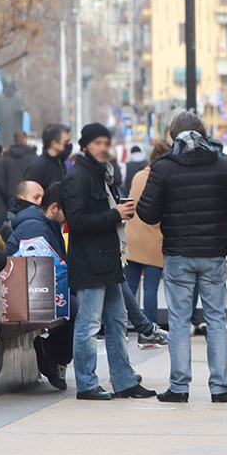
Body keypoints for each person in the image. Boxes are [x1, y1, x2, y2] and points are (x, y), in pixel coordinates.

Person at [136, 112, 227, 403]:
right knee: (217, 319)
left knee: (180, 321)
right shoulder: (222, 165)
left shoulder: (164, 168)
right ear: (203, 133)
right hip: (213, 253)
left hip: (178, 253)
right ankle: (220, 388)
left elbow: (146, 212)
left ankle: (179, 387)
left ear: (173, 135)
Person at [61, 123, 156, 401]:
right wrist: (115, 214)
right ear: (85, 145)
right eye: (98, 143)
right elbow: (76, 222)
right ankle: (87, 384)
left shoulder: (103, 174)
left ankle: (125, 381)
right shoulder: (78, 177)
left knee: (117, 321)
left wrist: (120, 212)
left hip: (109, 260)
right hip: (90, 262)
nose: (103, 148)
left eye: (106, 143)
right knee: (89, 324)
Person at [7, 181, 71, 391]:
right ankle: (54, 355)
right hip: (26, 291)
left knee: (80, 301)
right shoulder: (36, 226)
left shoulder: (47, 223)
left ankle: (54, 353)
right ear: (54, 208)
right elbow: (39, 268)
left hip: (33, 287)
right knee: (76, 308)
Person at [124, 142, 167, 329]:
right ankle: (150, 329)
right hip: (154, 239)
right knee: (151, 287)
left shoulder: (138, 176)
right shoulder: (164, 178)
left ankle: (123, 326)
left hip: (133, 237)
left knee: (130, 286)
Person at [24, 124, 71, 194]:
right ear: (54, 144)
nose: (70, 144)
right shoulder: (38, 166)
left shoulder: (60, 163)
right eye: (66, 142)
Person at [0, 131, 37, 209]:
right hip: (28, 194)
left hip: (12, 194)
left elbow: (1, 179)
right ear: (25, 140)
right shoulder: (32, 157)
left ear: (15, 140)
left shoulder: (6, 158)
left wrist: (6, 194)